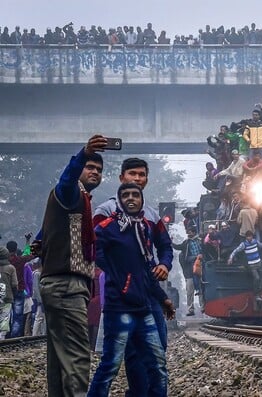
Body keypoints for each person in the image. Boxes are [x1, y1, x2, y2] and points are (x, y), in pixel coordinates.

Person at [92, 157, 173, 396]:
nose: (137, 179)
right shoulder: (106, 211)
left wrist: (165, 265)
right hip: (121, 296)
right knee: (125, 354)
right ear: (121, 178)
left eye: (141, 175)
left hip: (148, 292)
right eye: (132, 174)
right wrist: (122, 276)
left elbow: (165, 246)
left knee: (159, 344)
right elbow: (96, 251)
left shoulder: (149, 214)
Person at [39, 134, 107, 396]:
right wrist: (83, 153)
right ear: (79, 169)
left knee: (59, 361)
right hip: (66, 285)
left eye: (99, 170)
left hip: (61, 285)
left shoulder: (80, 203)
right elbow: (66, 180)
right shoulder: (69, 193)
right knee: (79, 358)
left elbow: (44, 235)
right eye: (89, 167)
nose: (95, 172)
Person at [228, 231, 262, 304]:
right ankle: (256, 295)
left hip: (258, 263)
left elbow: (261, 245)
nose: (249, 238)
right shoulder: (244, 244)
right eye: (248, 236)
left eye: (250, 236)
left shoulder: (255, 242)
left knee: (260, 279)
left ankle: (259, 294)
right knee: (256, 278)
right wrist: (231, 257)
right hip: (252, 265)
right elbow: (236, 251)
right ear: (246, 237)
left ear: (252, 236)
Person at [172, 228, 203, 316]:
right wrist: (171, 242)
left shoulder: (200, 241)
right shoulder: (186, 243)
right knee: (190, 290)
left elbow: (205, 250)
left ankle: (203, 307)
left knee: (201, 289)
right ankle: (190, 309)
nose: (188, 233)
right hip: (189, 270)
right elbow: (177, 247)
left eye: (190, 232)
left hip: (200, 267)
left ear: (194, 232)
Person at [0, 246, 18, 339]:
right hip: (7, 298)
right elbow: (14, 284)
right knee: (4, 319)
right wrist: (13, 294)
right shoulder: (11, 268)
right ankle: (1, 339)